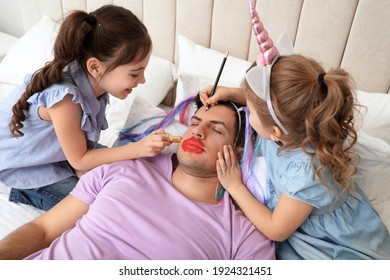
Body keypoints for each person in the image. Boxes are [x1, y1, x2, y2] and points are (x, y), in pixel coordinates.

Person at [199, 0, 390, 259]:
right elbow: (266, 108)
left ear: (276, 132)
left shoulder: (306, 171)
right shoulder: (293, 123)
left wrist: (235, 186)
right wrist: (232, 93)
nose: (248, 111)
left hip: (332, 244)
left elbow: (276, 230)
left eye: (252, 111)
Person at [0, 95, 275, 260]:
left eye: (216, 130)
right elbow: (43, 230)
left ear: (238, 154)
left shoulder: (244, 236)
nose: (197, 132)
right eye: (194, 123)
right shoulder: (125, 168)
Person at [0, 5, 171, 211]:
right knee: (99, 208)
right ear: (95, 66)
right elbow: (80, 159)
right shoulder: (65, 99)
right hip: (26, 167)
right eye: (134, 74)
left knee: (130, 171)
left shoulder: (95, 81)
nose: (142, 80)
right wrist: (138, 148)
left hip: (66, 153)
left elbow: (82, 152)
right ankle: (25, 191)